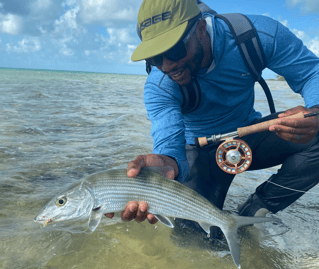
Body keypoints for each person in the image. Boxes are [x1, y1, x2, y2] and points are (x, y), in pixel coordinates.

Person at [106, 0, 319, 238]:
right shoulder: (160, 86)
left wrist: (316, 111)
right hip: (197, 151)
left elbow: (312, 72)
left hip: (249, 135)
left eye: (174, 51)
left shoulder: (254, 35)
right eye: (155, 58)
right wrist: (168, 162)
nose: (166, 66)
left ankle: (258, 209)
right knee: (192, 242)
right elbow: (168, 143)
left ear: (200, 28)